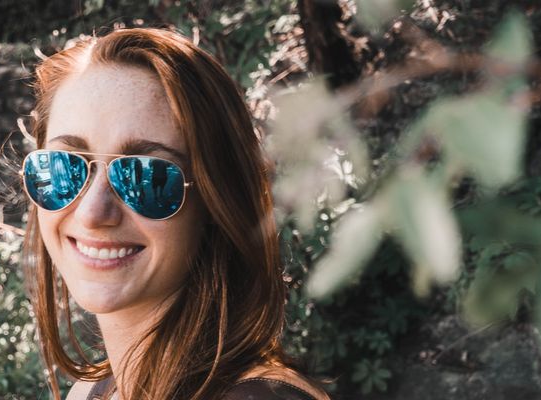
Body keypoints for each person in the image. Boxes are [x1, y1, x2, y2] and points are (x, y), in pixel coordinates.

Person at [20, 28, 329, 399]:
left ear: (217, 203)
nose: (92, 212)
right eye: (63, 167)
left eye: (148, 176)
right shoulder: (91, 392)